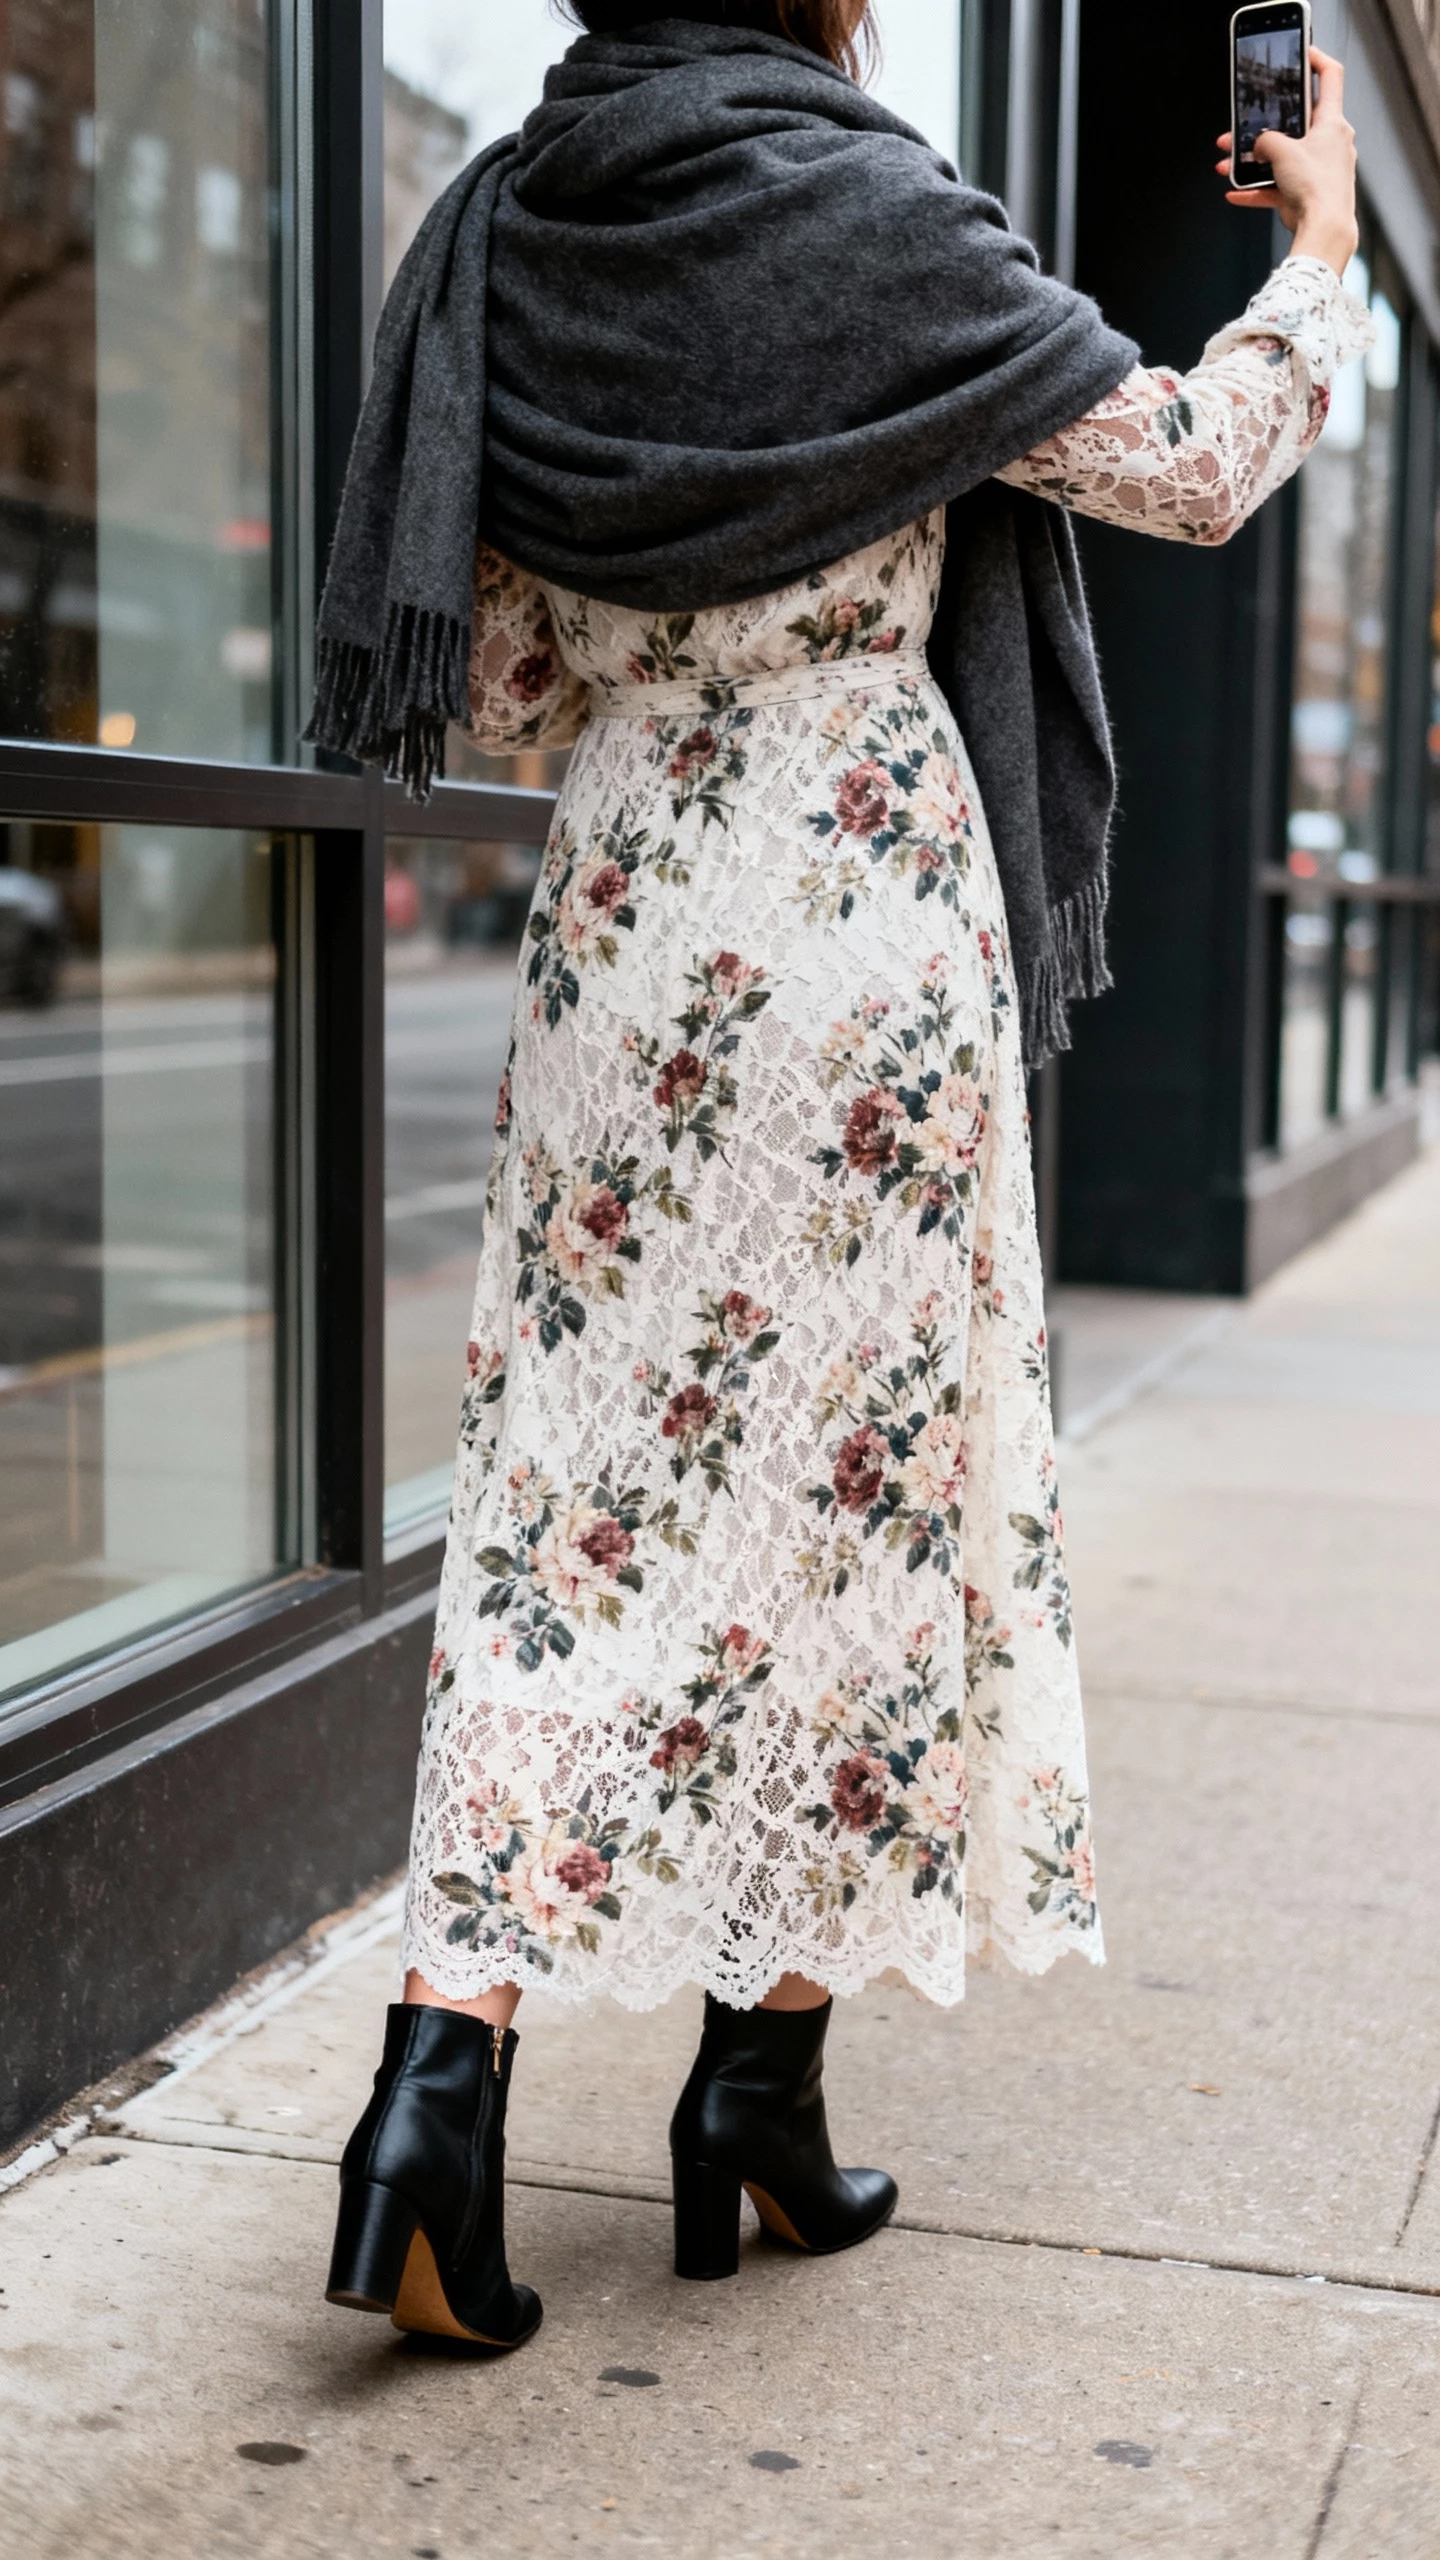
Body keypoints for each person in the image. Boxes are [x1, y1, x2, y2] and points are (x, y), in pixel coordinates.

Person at [310, 5, 1367, 2349]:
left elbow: (490, 670)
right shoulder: (875, 208)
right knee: (862, 1513)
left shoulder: (514, 213)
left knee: (567, 1516)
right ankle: (753, 2091)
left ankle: (433, 2089)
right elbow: (1188, 469)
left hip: (622, 923)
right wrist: (1326, 253)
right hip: (866, 923)